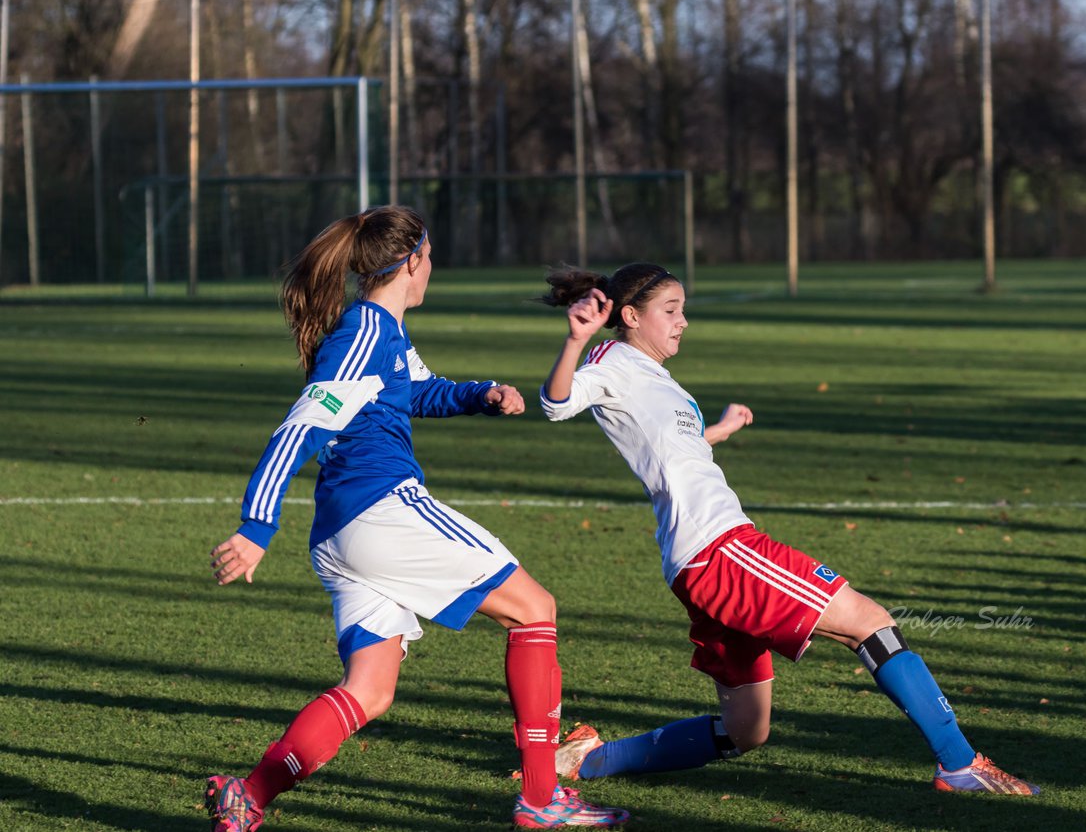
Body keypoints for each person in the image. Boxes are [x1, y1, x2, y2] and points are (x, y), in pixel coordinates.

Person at [536, 262, 1039, 797]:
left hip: (698, 560)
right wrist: (574, 340)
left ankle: (586, 761)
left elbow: (668, 453)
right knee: (870, 622)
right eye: (671, 311)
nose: (683, 322)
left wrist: (718, 431)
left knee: (746, 730)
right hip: (722, 550)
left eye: (684, 310)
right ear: (631, 316)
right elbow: (556, 402)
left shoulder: (652, 374)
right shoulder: (611, 361)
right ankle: (960, 763)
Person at [205, 206, 629, 831]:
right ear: (412, 262)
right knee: (535, 608)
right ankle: (542, 799)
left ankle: (250, 796)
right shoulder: (362, 337)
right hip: (380, 510)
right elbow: (301, 426)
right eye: (430, 257)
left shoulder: (384, 333)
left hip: (342, 535)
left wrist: (480, 394)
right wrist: (256, 526)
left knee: (370, 691)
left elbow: (416, 390)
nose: (434, 268)